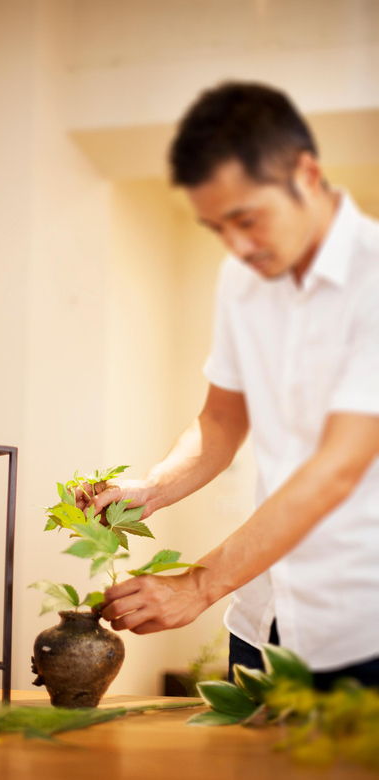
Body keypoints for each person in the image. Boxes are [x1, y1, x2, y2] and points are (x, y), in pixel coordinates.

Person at [82, 82, 379, 689]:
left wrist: (198, 585)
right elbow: (220, 421)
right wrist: (153, 489)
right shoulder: (243, 281)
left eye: (246, 218)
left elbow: (337, 470)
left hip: (361, 630)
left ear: (306, 173)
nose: (237, 247)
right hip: (263, 623)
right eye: (218, 227)